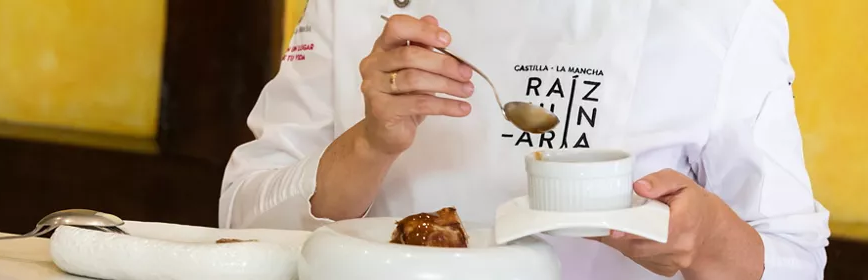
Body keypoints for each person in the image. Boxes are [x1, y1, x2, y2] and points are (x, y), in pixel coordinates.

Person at [219, 0, 830, 279]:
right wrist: (370, 144)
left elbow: (795, 260)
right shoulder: (355, 6)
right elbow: (241, 220)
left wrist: (708, 241)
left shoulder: (722, 17)